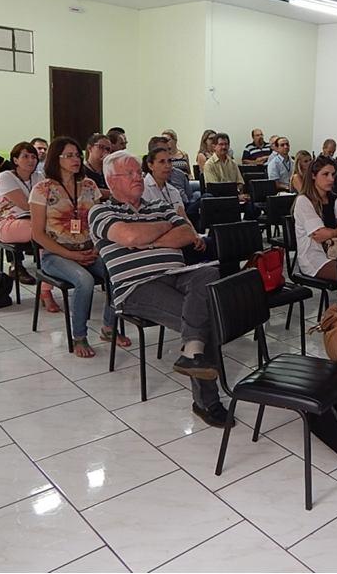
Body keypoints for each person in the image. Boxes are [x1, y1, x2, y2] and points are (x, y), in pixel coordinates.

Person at [89, 151, 232, 428]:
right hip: (136, 286)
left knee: (209, 273)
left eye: (136, 171)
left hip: (177, 274)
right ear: (111, 180)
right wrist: (161, 230)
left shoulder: (159, 206)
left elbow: (187, 235)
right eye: (128, 174)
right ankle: (207, 402)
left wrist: (152, 239)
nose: (136, 177)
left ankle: (192, 352)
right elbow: (130, 236)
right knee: (206, 315)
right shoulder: (101, 210)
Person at [29, 137, 123, 358]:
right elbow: (37, 234)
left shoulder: (89, 186)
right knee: (84, 280)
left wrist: (98, 249)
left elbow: (101, 224)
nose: (76, 159)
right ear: (56, 159)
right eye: (69, 155)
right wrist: (70, 254)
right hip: (56, 254)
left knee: (117, 272)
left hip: (89, 250)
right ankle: (79, 335)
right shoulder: (42, 189)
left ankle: (109, 328)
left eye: (77, 155)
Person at [292, 156, 337, 282]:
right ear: (313, 176)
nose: (331, 179)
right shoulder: (304, 201)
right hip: (314, 258)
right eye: (325, 174)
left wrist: (332, 233)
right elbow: (319, 234)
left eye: (332, 174)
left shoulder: (335, 200)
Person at [0, 142, 43, 289]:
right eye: (25, 156)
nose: (31, 160)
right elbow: (26, 205)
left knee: (51, 229)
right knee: (46, 231)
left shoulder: (39, 176)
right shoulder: (6, 176)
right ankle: (47, 277)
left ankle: (49, 274)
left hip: (34, 221)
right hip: (9, 224)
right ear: (15, 160)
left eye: (34, 157)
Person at [203, 132, 248, 201]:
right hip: (218, 199)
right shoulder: (209, 165)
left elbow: (240, 182)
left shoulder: (233, 163)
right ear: (214, 147)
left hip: (234, 196)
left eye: (226, 144)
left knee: (250, 205)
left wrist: (238, 192)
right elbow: (215, 189)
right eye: (221, 144)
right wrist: (235, 197)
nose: (224, 147)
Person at [143, 146, 187, 218]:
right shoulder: (142, 189)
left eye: (169, 161)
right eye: (162, 162)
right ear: (150, 166)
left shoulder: (174, 191)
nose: (167, 166)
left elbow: (183, 218)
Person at [83, 133, 112, 199]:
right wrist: (113, 194)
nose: (105, 151)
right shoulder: (82, 170)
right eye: (101, 147)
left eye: (107, 149)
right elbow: (90, 191)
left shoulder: (109, 170)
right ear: (90, 148)